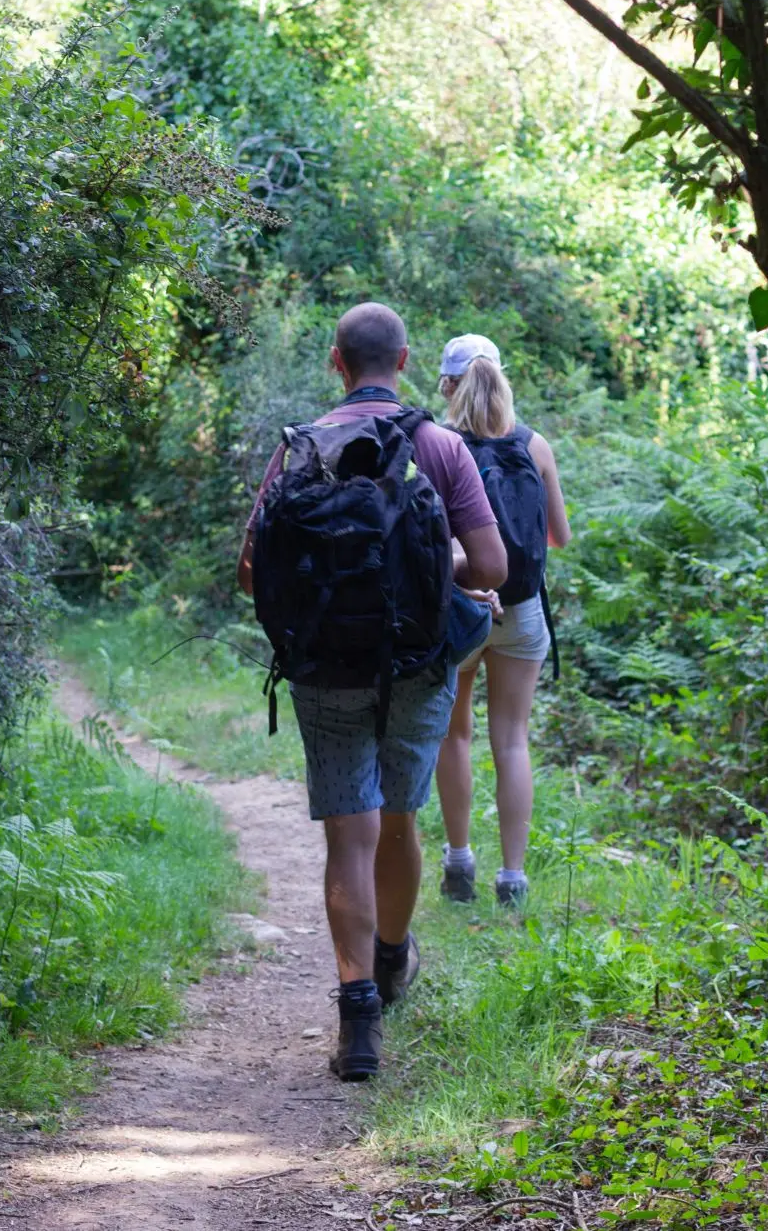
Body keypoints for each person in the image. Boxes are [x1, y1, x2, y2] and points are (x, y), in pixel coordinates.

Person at [237, 303, 506, 1081]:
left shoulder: (299, 449)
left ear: (336, 362)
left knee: (346, 838)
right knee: (398, 822)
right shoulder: (442, 446)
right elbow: (492, 570)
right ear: (406, 358)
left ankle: (357, 1021)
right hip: (418, 669)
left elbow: (252, 571)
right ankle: (391, 963)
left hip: (324, 670)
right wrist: (434, 564)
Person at [434, 334, 571, 908]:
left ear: (447, 386)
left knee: (454, 733)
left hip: (461, 605)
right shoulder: (534, 445)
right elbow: (559, 537)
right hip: (520, 609)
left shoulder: (437, 447)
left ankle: (459, 860)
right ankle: (513, 878)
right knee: (512, 741)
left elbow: (430, 541)